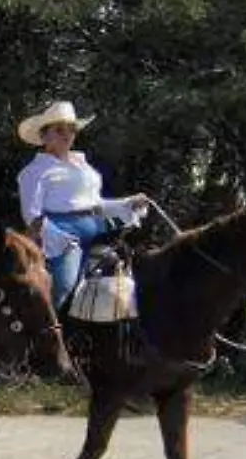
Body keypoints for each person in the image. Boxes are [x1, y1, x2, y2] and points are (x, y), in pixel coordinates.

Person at [15, 101, 149, 309]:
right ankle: (45, 331)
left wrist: (127, 204)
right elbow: (31, 215)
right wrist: (57, 238)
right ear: (44, 136)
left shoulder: (82, 165)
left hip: (98, 229)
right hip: (63, 235)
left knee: (129, 273)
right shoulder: (35, 171)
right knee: (63, 286)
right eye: (59, 130)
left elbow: (96, 204)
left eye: (71, 129)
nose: (67, 134)